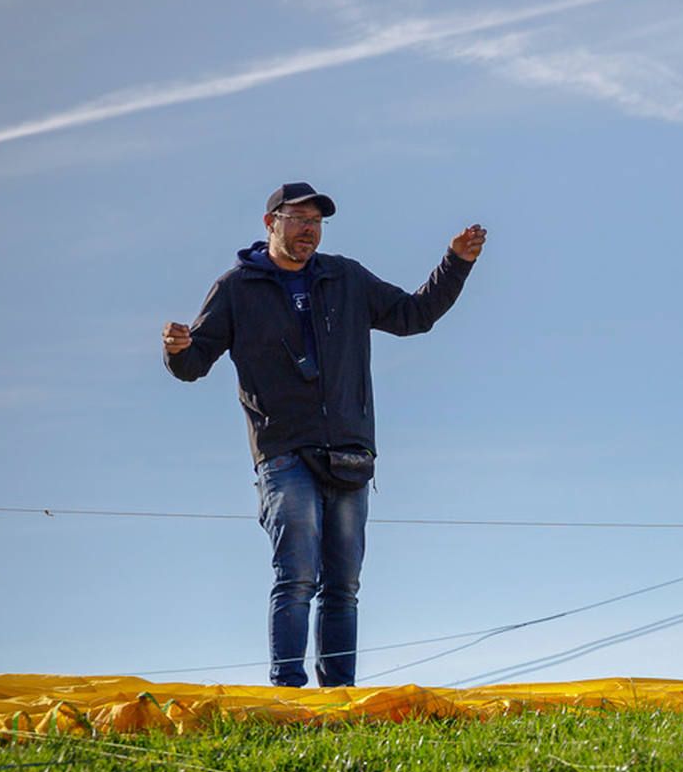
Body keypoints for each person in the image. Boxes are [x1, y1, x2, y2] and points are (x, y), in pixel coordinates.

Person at [163, 182, 487, 687]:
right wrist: (178, 348)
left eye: (316, 221)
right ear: (270, 223)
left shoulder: (346, 277)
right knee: (296, 577)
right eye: (298, 219)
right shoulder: (237, 288)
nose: (309, 229)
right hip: (283, 452)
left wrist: (455, 263)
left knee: (344, 586)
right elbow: (193, 364)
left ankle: (339, 694)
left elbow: (414, 316)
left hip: (350, 453)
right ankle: (289, 693)